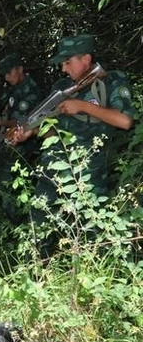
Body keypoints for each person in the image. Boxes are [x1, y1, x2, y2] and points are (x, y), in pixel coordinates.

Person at [13, 34, 134, 258]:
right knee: (38, 227)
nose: (63, 68)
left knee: (92, 232)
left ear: (86, 59)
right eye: (62, 63)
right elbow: (50, 129)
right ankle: (38, 278)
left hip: (90, 170)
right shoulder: (61, 88)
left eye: (68, 62)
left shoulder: (112, 81)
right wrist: (28, 133)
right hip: (54, 167)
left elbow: (125, 121)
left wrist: (82, 106)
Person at [0, 53, 42, 224]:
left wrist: (1, 123)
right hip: (15, 140)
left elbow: (23, 120)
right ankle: (19, 220)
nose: (7, 77)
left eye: (9, 73)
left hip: (28, 143)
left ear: (20, 69)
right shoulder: (13, 89)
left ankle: (20, 222)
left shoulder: (31, 89)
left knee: (5, 181)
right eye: (4, 74)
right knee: (6, 180)